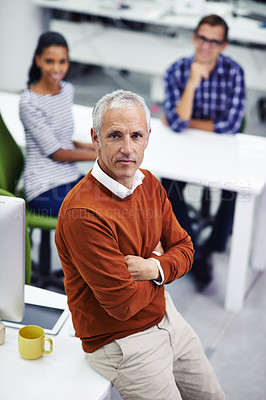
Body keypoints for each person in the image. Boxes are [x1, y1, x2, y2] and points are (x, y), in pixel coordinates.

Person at [55, 89, 225, 399]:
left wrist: (153, 266)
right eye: (115, 136)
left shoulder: (149, 183)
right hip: (121, 340)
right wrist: (164, 266)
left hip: (166, 315)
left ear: (148, 137)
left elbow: (186, 249)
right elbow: (123, 305)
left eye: (136, 136)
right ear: (95, 138)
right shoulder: (83, 213)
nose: (127, 149)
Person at [162, 14, 246, 290]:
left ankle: (216, 243)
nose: (206, 46)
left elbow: (231, 125)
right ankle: (195, 252)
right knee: (167, 186)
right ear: (194, 37)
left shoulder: (234, 72)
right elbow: (176, 123)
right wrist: (193, 82)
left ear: (224, 45)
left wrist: (186, 121)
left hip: (221, 151)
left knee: (234, 186)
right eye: (202, 38)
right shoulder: (177, 70)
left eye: (214, 41)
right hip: (185, 150)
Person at [19, 31, 97, 217]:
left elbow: (64, 140)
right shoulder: (29, 103)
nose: (56, 68)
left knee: (121, 200)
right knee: (101, 215)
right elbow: (57, 152)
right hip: (44, 188)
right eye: (49, 61)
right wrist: (101, 155)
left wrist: (97, 146)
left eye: (62, 61)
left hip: (69, 177)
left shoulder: (66, 90)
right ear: (38, 60)